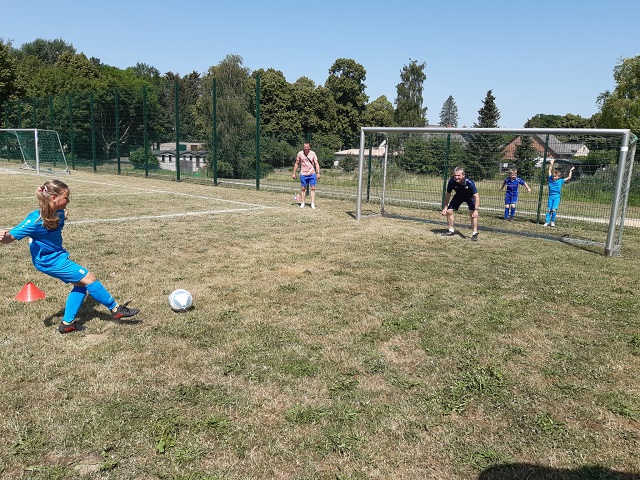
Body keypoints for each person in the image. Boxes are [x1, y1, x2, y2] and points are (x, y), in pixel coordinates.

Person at [0, 180, 140, 334]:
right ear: (54, 198)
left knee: (81, 285)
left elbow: (58, 216)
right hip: (49, 261)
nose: (69, 201)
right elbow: (10, 238)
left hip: (58, 255)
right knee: (89, 278)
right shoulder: (34, 220)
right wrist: (3, 237)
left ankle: (67, 323)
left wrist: (63, 215)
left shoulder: (58, 211)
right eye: (66, 197)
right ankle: (115, 309)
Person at [441, 166, 480, 241]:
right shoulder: (451, 182)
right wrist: (445, 207)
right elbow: (448, 194)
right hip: (459, 196)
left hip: (470, 197)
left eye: (458, 175)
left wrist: (476, 210)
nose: (456, 177)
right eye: (455, 175)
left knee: (473, 213)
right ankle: (451, 230)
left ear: (463, 175)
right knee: (449, 211)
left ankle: (475, 233)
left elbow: (476, 196)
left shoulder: (469, 182)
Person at [544, 159, 575, 227]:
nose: (554, 177)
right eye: (553, 176)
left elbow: (569, 177)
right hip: (550, 197)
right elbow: (549, 170)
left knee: (553, 210)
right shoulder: (550, 179)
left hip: (557, 197)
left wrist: (571, 170)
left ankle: (552, 221)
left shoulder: (560, 181)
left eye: (555, 176)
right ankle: (547, 221)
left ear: (558, 177)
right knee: (549, 210)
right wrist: (552, 163)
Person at [292, 142, 320, 209]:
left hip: (312, 173)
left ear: (309, 147)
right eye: (305, 147)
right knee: (303, 188)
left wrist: (318, 173)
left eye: (307, 147)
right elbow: (296, 163)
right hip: (303, 174)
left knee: (313, 188)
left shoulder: (313, 153)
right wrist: (294, 173)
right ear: (303, 147)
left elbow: (316, 163)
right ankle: (303, 203)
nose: (306, 148)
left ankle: (312, 203)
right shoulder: (300, 153)